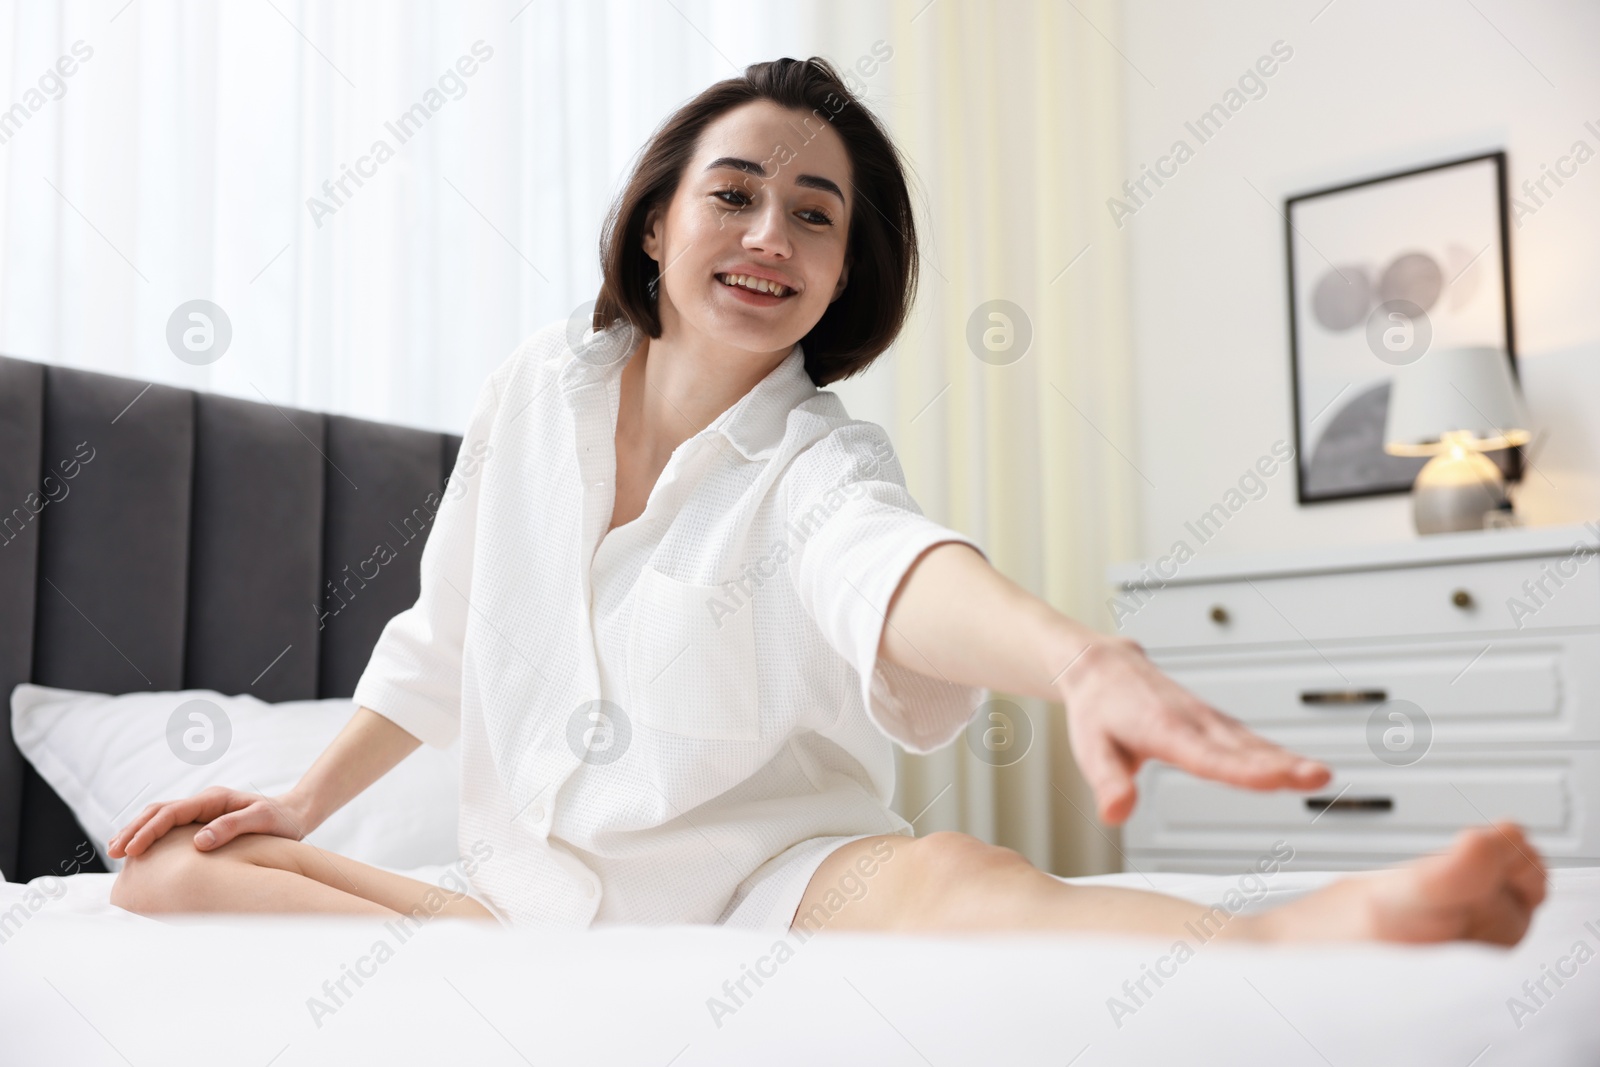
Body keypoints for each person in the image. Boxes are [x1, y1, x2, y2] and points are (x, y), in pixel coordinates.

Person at [109, 57, 1546, 946]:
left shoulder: (816, 462)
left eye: (815, 213)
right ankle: (491, 960)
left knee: (969, 883)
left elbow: (893, 568)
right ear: (658, 215)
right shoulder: (539, 388)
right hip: (516, 910)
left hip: (767, 883)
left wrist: (1079, 661)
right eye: (734, 193)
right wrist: (296, 802)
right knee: (162, 876)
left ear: (846, 272)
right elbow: (443, 639)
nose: (767, 236)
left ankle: (1297, 942)